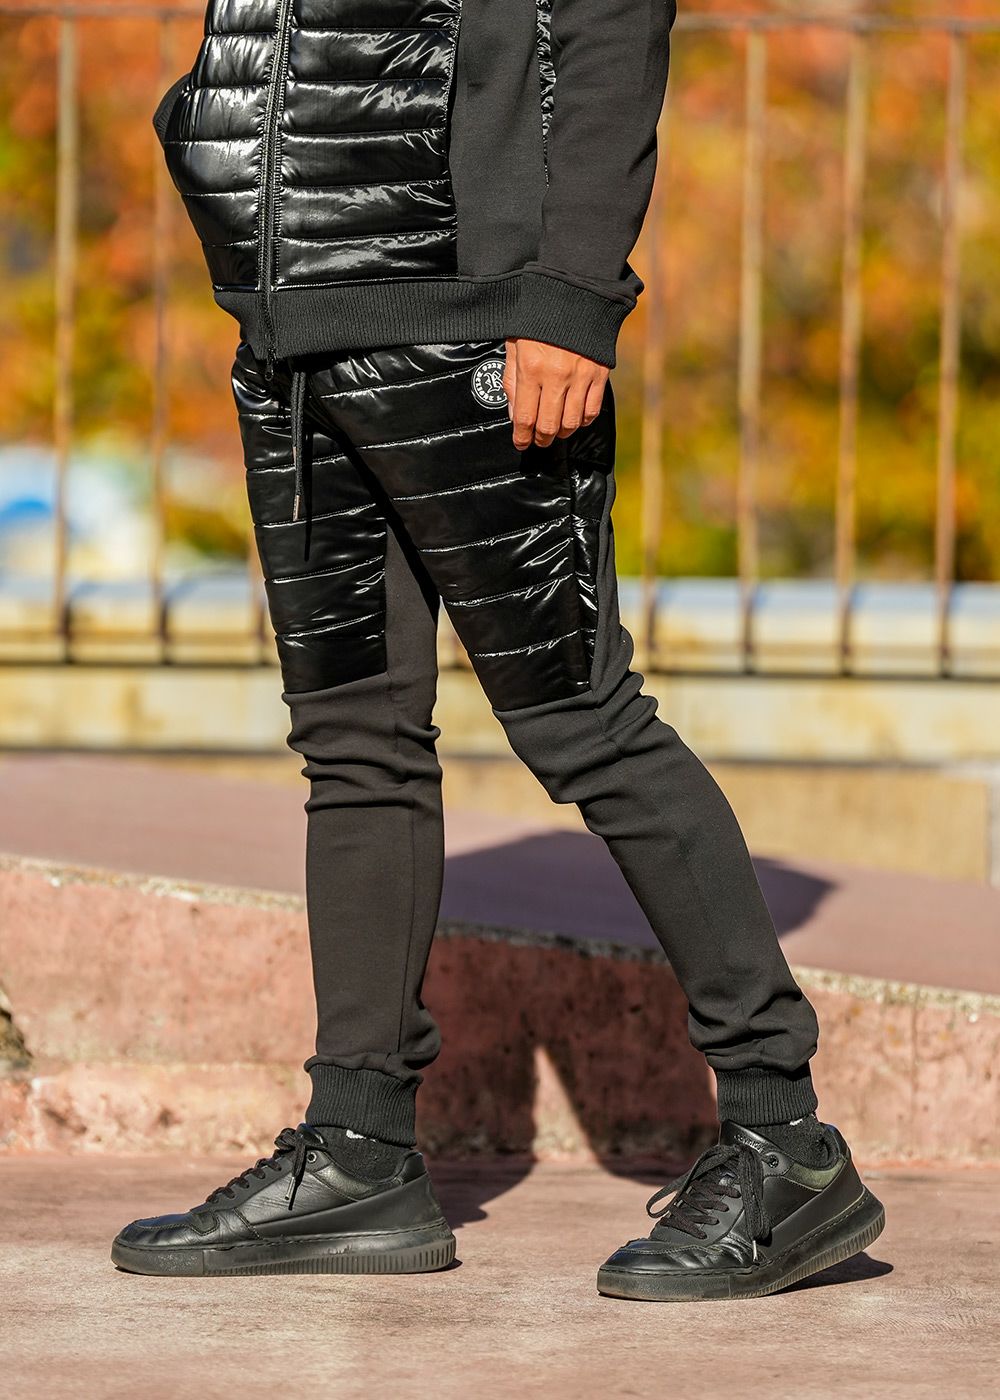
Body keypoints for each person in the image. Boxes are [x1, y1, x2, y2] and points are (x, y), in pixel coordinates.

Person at [111, 0, 884, 1300]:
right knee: (354, 743)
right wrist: (208, 128)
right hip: (293, 321)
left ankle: (785, 1140)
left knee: (583, 722)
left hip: (470, 318)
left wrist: (569, 296)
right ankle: (358, 1151)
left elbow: (608, 23)